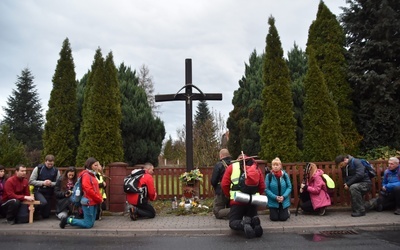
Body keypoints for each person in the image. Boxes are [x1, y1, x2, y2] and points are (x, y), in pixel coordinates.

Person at [221, 154, 265, 239]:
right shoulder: (255, 167)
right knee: (251, 217)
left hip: (237, 200)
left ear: (237, 159)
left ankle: (243, 224)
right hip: (252, 200)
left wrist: (229, 195)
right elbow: (262, 185)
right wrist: (257, 194)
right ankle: (254, 221)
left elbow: (224, 184)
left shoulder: (232, 167)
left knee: (233, 222)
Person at [59, 157, 103, 229]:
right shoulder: (86, 175)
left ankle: (70, 219)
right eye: (95, 165)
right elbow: (88, 189)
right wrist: (99, 198)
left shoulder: (93, 175)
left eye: (98, 165)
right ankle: (67, 220)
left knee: (91, 223)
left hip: (93, 201)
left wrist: (98, 198)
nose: (98, 166)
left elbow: (95, 189)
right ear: (90, 165)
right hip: (88, 202)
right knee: (88, 224)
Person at [29, 154, 60, 219]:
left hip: (49, 193)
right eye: (48, 164)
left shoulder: (56, 171)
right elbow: (31, 181)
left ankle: (40, 213)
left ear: (53, 162)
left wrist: (51, 183)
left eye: (51, 164)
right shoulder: (38, 168)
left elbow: (58, 183)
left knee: (46, 215)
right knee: (43, 202)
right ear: (45, 162)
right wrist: (43, 183)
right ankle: (35, 212)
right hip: (38, 191)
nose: (50, 165)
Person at [265, 157, 292, 221]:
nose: (275, 167)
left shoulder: (285, 175)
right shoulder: (269, 176)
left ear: (280, 166)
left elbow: (289, 187)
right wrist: (275, 197)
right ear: (272, 166)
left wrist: (283, 196)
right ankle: (273, 212)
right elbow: (266, 189)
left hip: (283, 201)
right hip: (273, 201)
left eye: (277, 165)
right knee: (274, 218)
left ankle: (287, 212)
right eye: (274, 165)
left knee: (283, 218)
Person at [211, 148, 232, 219]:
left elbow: (214, 180)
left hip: (221, 190)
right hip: (233, 189)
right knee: (230, 205)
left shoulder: (219, 164)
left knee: (217, 211)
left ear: (221, 155)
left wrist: (215, 187)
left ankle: (236, 211)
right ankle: (235, 212)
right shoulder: (234, 163)